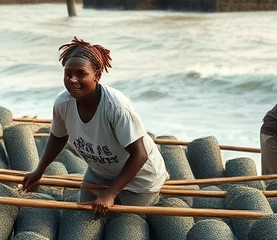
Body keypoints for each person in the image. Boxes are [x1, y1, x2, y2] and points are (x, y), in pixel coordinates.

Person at [22, 38, 168, 216]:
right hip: (100, 173)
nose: (72, 80)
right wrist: (39, 170)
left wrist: (110, 194)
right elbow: (58, 137)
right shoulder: (63, 103)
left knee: (125, 222)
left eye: (81, 74)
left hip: (139, 177)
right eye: (68, 74)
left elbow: (140, 155)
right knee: (84, 216)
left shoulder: (116, 107)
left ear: (97, 75)